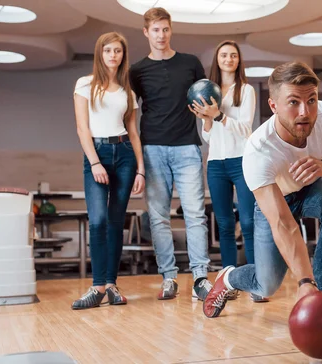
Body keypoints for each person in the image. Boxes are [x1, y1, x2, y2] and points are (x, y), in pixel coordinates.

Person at [202, 61, 322, 318]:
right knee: (266, 284)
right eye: (293, 102)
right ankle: (230, 277)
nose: (305, 111)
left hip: (313, 189)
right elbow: (283, 223)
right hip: (276, 201)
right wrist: (304, 282)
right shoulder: (259, 150)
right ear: (273, 106)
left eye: (311, 100)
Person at [129, 7, 211, 301]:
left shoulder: (190, 63)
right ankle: (169, 278)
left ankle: (201, 276)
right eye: (155, 30)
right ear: (146, 33)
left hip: (187, 147)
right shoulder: (137, 71)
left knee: (195, 215)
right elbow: (129, 109)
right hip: (152, 149)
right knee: (159, 218)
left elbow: (205, 99)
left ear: (170, 30)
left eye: (165, 29)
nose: (161, 35)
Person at [188, 40, 267, 302]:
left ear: (238, 60)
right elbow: (208, 137)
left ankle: (258, 283)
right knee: (223, 225)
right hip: (215, 164)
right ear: (217, 60)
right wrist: (208, 118)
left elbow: (246, 129)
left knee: (247, 223)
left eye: (233, 55)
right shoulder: (208, 90)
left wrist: (218, 114)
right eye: (224, 55)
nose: (229, 59)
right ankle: (228, 282)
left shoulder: (245, 91)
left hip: (241, 161)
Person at [71, 32, 145, 310]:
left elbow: (134, 132)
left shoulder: (128, 92)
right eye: (108, 50)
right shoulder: (85, 84)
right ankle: (96, 286)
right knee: (98, 221)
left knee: (116, 223)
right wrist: (94, 162)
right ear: (99, 54)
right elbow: (82, 128)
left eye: (118, 51)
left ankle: (111, 285)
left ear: (123, 55)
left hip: (125, 154)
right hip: (97, 154)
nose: (113, 55)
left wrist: (141, 169)